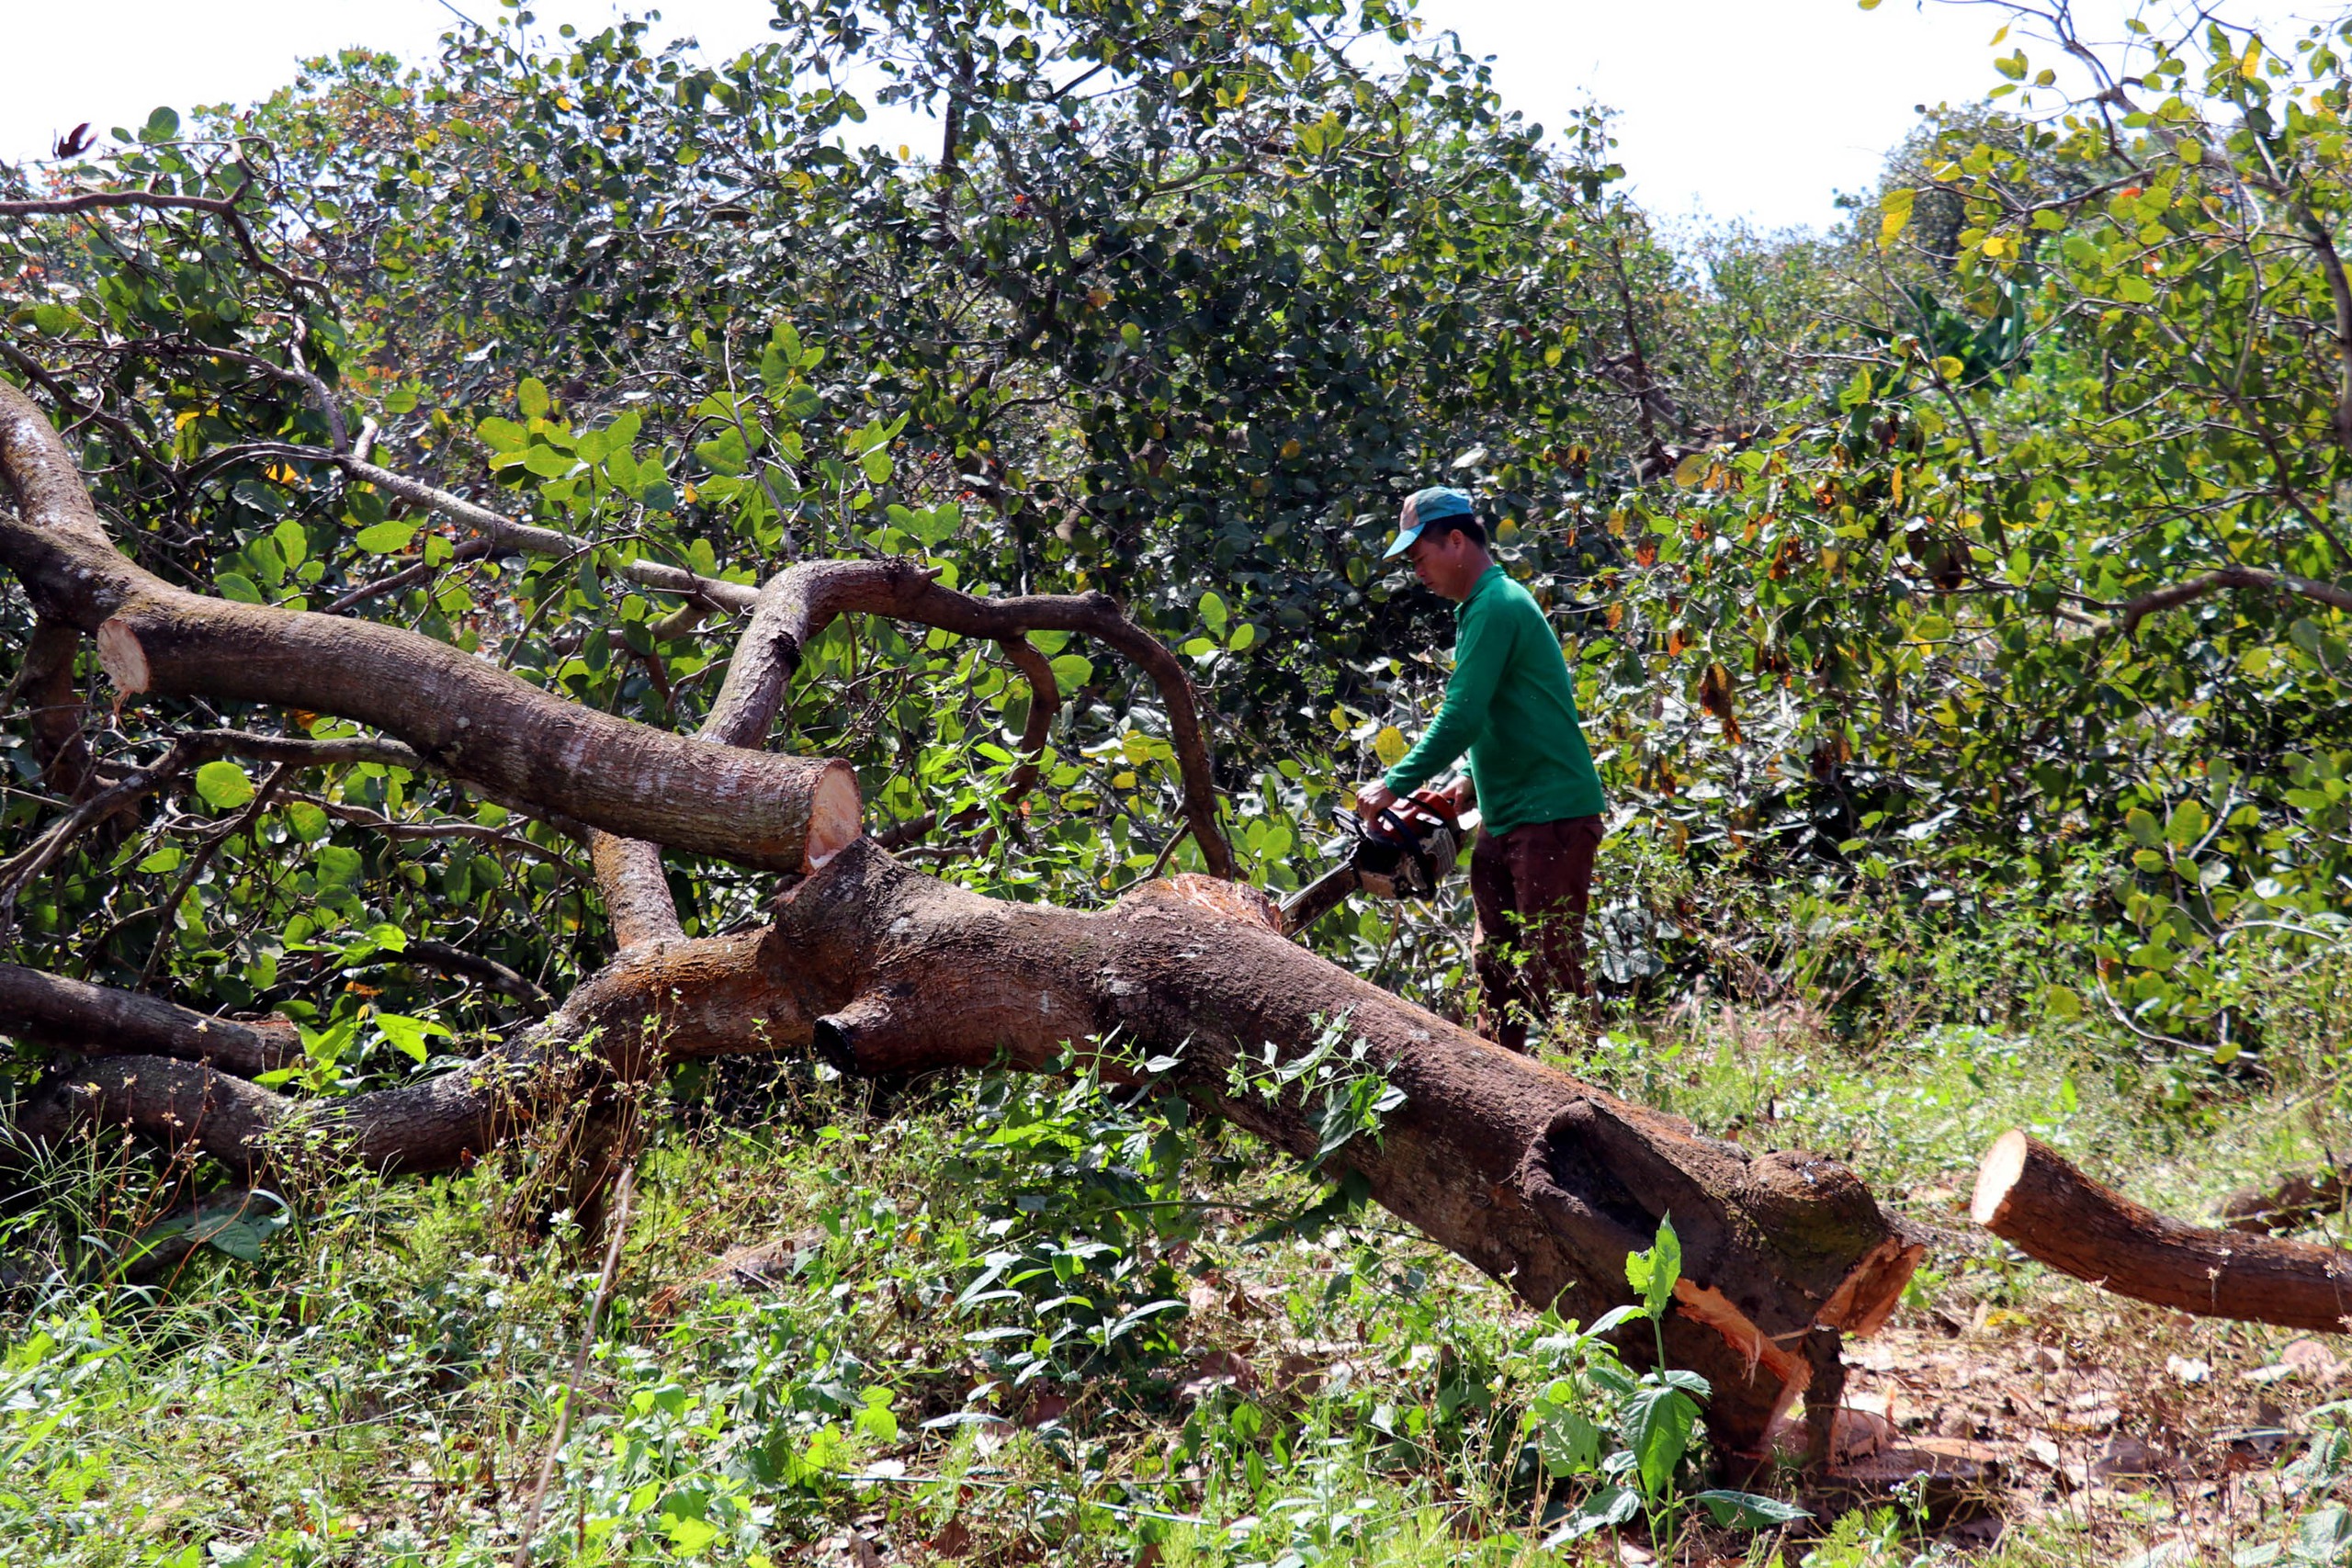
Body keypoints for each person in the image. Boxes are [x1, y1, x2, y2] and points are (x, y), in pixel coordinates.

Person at [1355, 486, 1606, 1052]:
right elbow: (1505, 712)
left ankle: (1602, 1097)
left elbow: (1463, 714)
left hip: (1552, 815)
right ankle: (1499, 1092)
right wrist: (1462, 786)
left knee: (1551, 969)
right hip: (1507, 812)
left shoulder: (1498, 603)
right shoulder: (1480, 608)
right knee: (1496, 966)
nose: (1418, 572)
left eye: (1419, 558)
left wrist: (1395, 784)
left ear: (1457, 540)